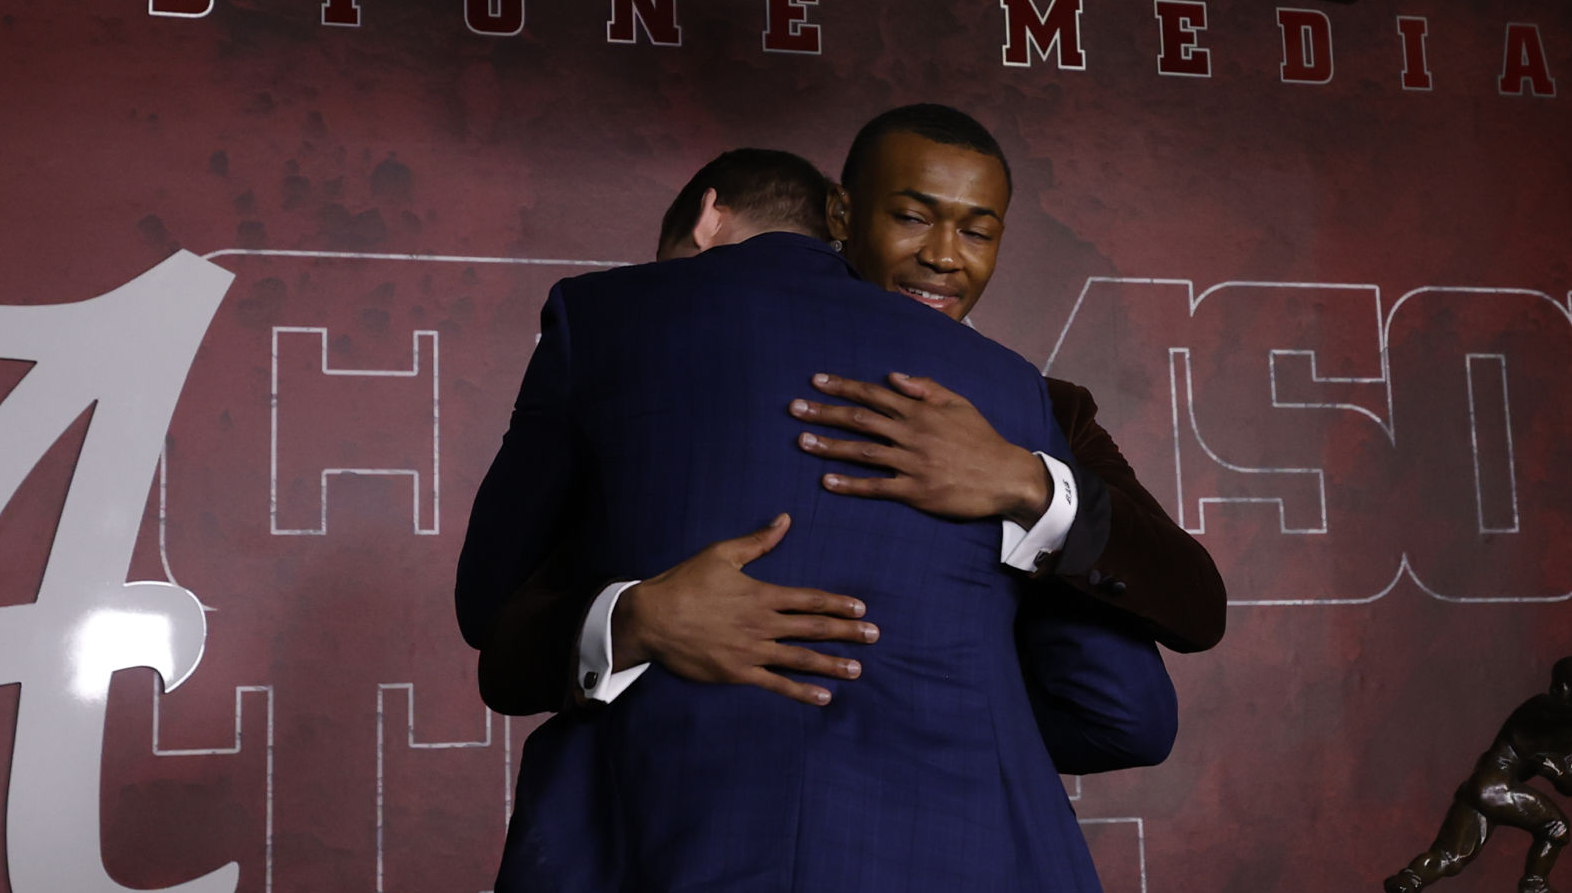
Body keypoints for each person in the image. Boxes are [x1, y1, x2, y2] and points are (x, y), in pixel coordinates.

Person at [456, 157, 1175, 893]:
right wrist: (942, 675)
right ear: (840, 221)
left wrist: (632, 618)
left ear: (703, 221)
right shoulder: (1007, 392)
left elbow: (490, 614)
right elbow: (1125, 709)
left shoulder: (609, 318)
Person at [479, 110, 1225, 725]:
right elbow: (503, 623)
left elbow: (1174, 636)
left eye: (976, 232)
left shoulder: (1045, 407)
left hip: (935, 803)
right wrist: (636, 619)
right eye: (912, 218)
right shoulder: (680, 376)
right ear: (840, 213)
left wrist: (1027, 484)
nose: (943, 257)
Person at [1385, 657, 1572, 893]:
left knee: (1451, 857)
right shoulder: (1540, 708)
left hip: (1482, 790)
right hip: (1494, 785)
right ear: (1560, 688)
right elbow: (1568, 715)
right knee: (1557, 827)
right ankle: (1534, 892)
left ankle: (1407, 882)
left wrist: (1554, 771)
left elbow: (1571, 785)